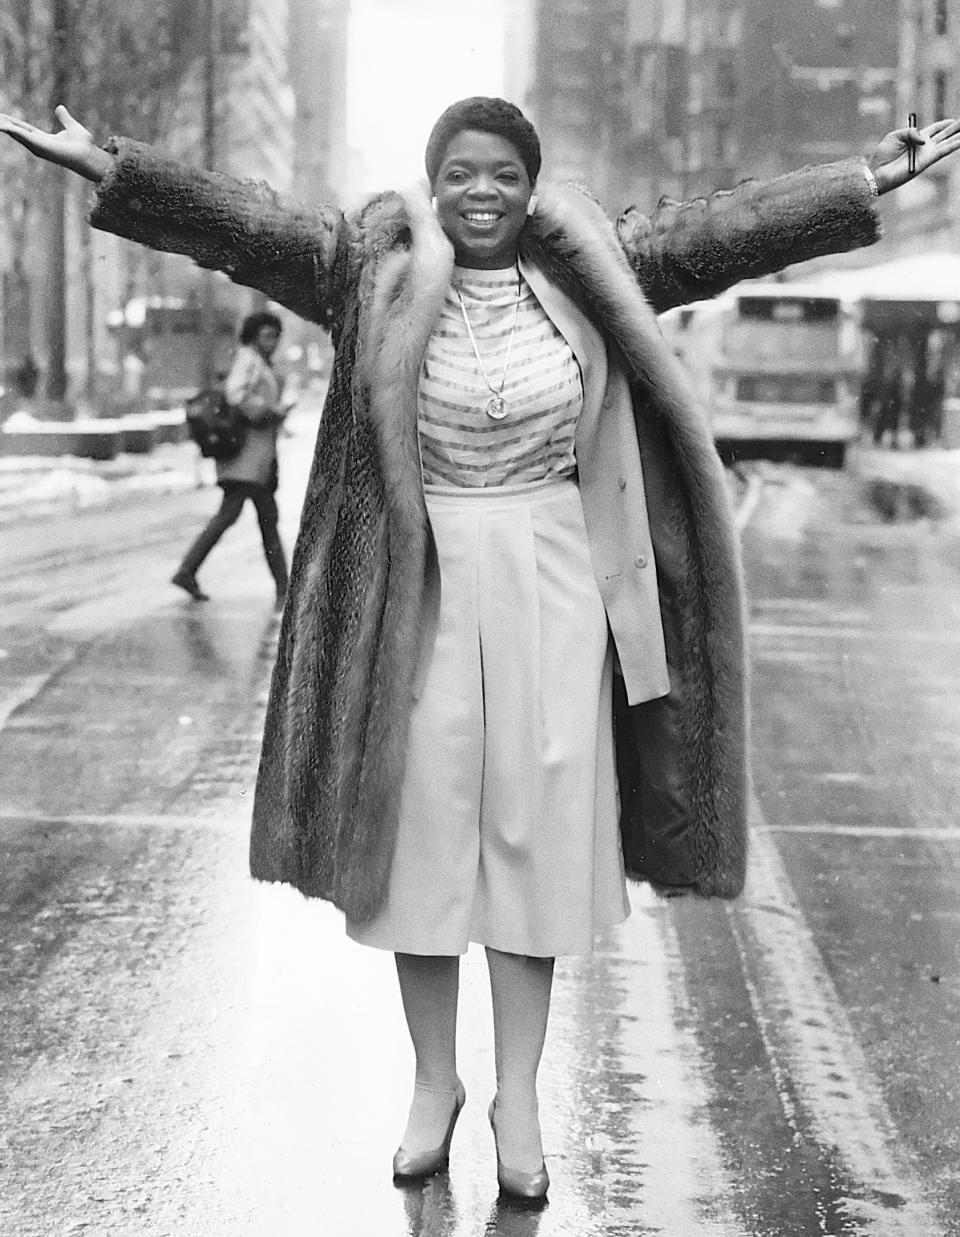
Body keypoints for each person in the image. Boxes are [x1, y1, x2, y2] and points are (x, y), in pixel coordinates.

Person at [3, 95, 958, 1202]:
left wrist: (860, 182)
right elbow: (245, 229)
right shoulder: (370, 269)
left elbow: (718, 234)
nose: (483, 191)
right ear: (433, 178)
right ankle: (430, 1083)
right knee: (423, 833)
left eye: (505, 171)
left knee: (537, 833)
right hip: (423, 585)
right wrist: (108, 166)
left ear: (533, 181)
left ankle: (519, 1096)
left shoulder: (597, 261)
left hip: (557, 578)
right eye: (461, 171)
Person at [171, 309, 291, 606]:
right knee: (265, 520)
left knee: (235, 517)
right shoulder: (249, 360)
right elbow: (236, 395)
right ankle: (284, 590)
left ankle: (188, 570)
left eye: (275, 336)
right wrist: (269, 410)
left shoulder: (257, 361)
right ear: (254, 336)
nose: (272, 342)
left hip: (252, 459)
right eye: (266, 335)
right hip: (247, 459)